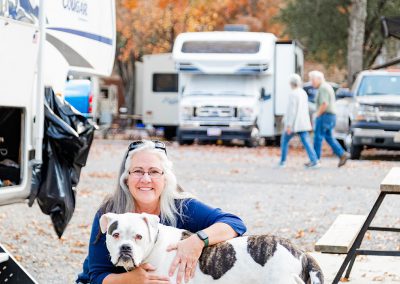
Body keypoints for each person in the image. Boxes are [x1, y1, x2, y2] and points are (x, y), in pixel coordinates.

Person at [76, 140, 246, 284]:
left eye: (154, 172)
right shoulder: (111, 212)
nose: (146, 179)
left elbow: (234, 223)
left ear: (166, 179)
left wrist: (197, 240)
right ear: (126, 178)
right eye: (138, 171)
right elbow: (96, 276)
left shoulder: (181, 208)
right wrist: (132, 279)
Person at [309, 70, 350, 167]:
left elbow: (324, 104)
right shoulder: (326, 87)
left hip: (325, 115)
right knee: (329, 137)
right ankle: (342, 154)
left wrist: (317, 115)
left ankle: (316, 160)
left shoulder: (323, 88)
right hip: (330, 116)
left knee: (318, 137)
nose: (311, 82)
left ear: (319, 79)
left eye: (312, 80)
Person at [279, 74, 319, 169]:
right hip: (303, 122)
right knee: (306, 142)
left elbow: (292, 111)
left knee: (284, 140)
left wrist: (289, 124)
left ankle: (282, 161)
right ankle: (314, 160)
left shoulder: (293, 94)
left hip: (294, 124)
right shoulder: (303, 93)